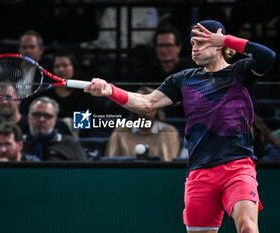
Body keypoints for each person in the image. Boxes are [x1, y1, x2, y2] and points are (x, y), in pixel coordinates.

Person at [85, 20, 276, 233]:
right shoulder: (182, 80)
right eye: (192, 43)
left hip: (237, 168)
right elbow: (147, 103)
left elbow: (268, 57)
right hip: (199, 173)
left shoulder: (240, 72)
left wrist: (226, 40)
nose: (193, 49)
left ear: (218, 43)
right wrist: (110, 90)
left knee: (248, 228)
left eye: (200, 43)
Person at [105, 86, 181, 161]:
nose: (147, 111)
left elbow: (171, 165)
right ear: (134, 108)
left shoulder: (170, 132)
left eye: (151, 105)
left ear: (158, 108)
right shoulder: (120, 132)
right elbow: (110, 162)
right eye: (142, 106)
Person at [23, 96, 86, 161]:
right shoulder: (18, 143)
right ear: (28, 117)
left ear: (55, 120)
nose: (41, 119)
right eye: (36, 114)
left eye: (47, 116)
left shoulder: (70, 144)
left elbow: (83, 170)